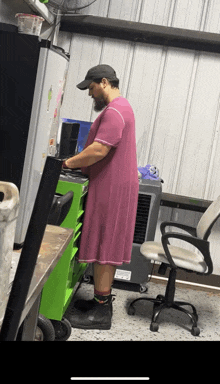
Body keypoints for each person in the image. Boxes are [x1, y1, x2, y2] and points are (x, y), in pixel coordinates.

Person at [63, 64, 139, 330]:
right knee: (104, 243)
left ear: (104, 82)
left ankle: (101, 312)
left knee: (105, 246)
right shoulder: (122, 107)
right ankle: (99, 300)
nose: (90, 94)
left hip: (112, 187)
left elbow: (98, 150)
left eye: (92, 88)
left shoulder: (115, 112)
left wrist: (66, 163)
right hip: (114, 184)